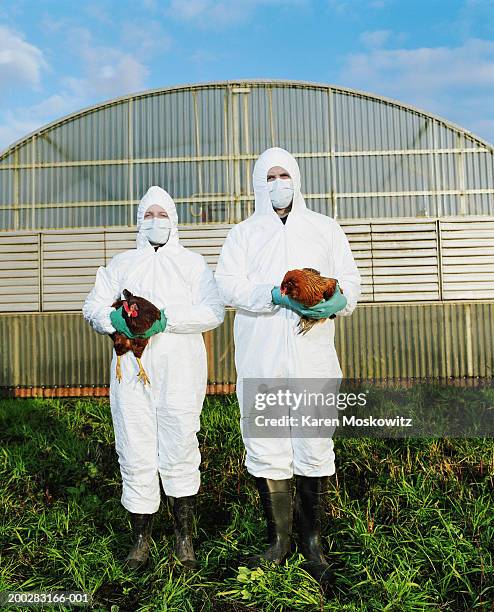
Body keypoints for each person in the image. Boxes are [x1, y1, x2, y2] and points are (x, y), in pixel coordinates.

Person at [214, 147, 361, 587]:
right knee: (267, 445)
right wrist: (272, 295)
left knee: (314, 447)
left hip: (313, 358)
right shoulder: (243, 234)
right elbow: (227, 285)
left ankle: (311, 541)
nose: (279, 182)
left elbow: (350, 283)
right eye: (270, 176)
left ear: (297, 179)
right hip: (262, 357)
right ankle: (279, 541)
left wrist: (339, 300)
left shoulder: (325, 228)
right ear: (259, 184)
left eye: (285, 175)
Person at [82, 185, 225, 570]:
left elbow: (214, 312)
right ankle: (141, 540)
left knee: (180, 445)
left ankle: (184, 539)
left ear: (174, 221)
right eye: (149, 215)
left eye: (163, 215)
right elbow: (92, 305)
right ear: (139, 221)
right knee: (135, 446)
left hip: (181, 371)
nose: (156, 222)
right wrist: (110, 318)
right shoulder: (121, 263)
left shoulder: (193, 264)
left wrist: (166, 319)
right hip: (131, 371)